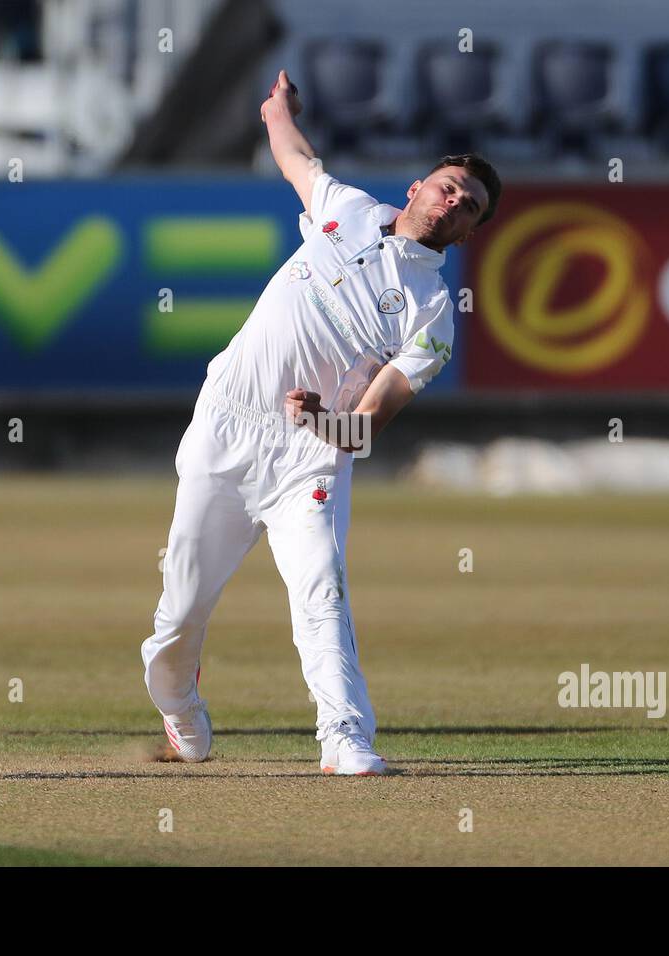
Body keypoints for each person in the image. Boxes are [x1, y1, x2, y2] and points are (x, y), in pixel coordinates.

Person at [141, 68, 501, 775]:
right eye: (448, 186)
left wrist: (321, 423)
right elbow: (294, 156)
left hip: (311, 456)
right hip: (225, 425)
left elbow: (365, 433)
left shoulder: (431, 317)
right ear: (417, 190)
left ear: (468, 233)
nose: (454, 201)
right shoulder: (347, 209)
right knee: (180, 609)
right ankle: (179, 704)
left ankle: (345, 740)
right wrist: (277, 108)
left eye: (470, 206)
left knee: (322, 590)